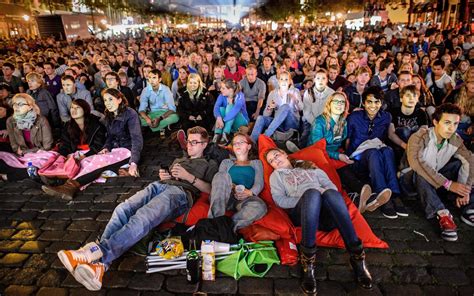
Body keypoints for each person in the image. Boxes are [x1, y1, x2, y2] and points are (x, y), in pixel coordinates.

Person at [56, 126, 217, 291]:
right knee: (122, 209)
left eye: (195, 142)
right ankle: (100, 266)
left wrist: (189, 177)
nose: (190, 145)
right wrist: (165, 175)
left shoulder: (209, 164)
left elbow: (211, 189)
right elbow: (168, 176)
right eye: (189, 141)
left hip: (180, 194)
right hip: (159, 186)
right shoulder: (179, 159)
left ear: (205, 144)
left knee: (143, 217)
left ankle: (92, 253)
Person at [264, 148, 373, 294]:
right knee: (312, 193)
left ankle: (357, 256)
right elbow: (279, 200)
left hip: (326, 215)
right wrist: (305, 198)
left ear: (285, 154)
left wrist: (322, 193)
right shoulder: (276, 176)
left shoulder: (309, 166)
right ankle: (308, 264)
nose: (275, 160)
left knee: (331, 194)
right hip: (303, 213)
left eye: (276, 155)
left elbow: (330, 186)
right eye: (271, 161)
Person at [42, 89, 143, 200]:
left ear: (119, 100)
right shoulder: (109, 115)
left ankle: (70, 187)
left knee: (98, 162)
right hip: (114, 150)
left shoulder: (130, 113)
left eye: (110, 99)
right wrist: (106, 148)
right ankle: (64, 182)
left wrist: (133, 162)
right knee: (86, 161)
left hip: (127, 151)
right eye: (105, 100)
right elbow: (109, 137)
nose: (107, 103)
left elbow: (137, 139)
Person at [403, 103, 473, 241]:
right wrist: (448, 184)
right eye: (447, 123)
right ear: (435, 122)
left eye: (455, 124)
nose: (451, 128)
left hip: (437, 179)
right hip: (411, 180)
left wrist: (465, 190)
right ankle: (442, 215)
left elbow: (470, 161)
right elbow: (417, 164)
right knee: (421, 173)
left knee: (462, 164)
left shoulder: (455, 139)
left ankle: (467, 206)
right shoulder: (420, 136)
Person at [347, 86, 408, 219]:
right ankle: (382, 194)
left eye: (377, 102)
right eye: (369, 102)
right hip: (359, 159)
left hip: (378, 154)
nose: (373, 106)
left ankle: (394, 194)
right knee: (373, 152)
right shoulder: (354, 117)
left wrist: (405, 145)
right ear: (364, 103)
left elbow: (391, 135)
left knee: (387, 150)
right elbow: (347, 140)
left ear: (381, 103)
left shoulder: (386, 117)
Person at [208, 133, 267, 231]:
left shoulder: (256, 163)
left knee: (260, 206)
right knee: (221, 175)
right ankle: (215, 222)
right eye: (235, 143)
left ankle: (228, 229)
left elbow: (259, 182)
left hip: (245, 197)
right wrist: (232, 187)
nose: (237, 145)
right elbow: (220, 180)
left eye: (241, 142)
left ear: (249, 146)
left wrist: (249, 192)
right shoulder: (226, 162)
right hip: (224, 195)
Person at [0, 93, 53, 181]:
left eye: (20, 104)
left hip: (40, 155)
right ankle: (24, 173)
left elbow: (47, 146)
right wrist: (18, 151)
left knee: (41, 166)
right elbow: (14, 145)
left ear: (30, 107)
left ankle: (10, 176)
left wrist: (26, 151)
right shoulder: (10, 121)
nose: (16, 107)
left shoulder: (41, 120)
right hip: (21, 156)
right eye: (14, 104)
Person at [250, 71, 302, 143]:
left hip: (291, 123)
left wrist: (296, 100)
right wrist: (269, 107)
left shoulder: (295, 91)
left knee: (286, 106)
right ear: (278, 81)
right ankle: (252, 142)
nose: (283, 81)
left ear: (290, 81)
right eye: (281, 79)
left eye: (286, 79)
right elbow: (266, 114)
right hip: (277, 124)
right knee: (260, 118)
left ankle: (266, 136)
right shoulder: (273, 93)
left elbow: (302, 108)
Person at [388, 85, 429, 161]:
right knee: (405, 130)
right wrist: (405, 146)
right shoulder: (393, 112)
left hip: (415, 145)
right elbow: (391, 134)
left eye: (414, 96)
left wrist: (413, 146)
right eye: (408, 95)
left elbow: (424, 131)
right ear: (401, 99)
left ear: (417, 99)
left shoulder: (421, 113)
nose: (411, 98)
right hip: (398, 146)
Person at [300, 69, 335, 147]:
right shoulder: (308, 92)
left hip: (325, 122)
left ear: (327, 80)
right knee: (307, 136)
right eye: (318, 78)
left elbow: (332, 112)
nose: (321, 80)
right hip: (311, 121)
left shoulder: (332, 93)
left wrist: (323, 124)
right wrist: (316, 124)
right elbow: (307, 112)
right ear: (314, 80)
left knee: (326, 138)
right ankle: (301, 150)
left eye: (323, 78)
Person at [212, 79, 249, 144]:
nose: (221, 90)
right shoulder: (222, 95)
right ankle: (217, 134)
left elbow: (235, 110)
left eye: (223, 88)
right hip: (226, 123)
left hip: (240, 123)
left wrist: (222, 120)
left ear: (230, 90)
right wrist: (218, 118)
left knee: (230, 106)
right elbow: (216, 107)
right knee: (221, 109)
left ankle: (225, 134)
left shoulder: (240, 95)